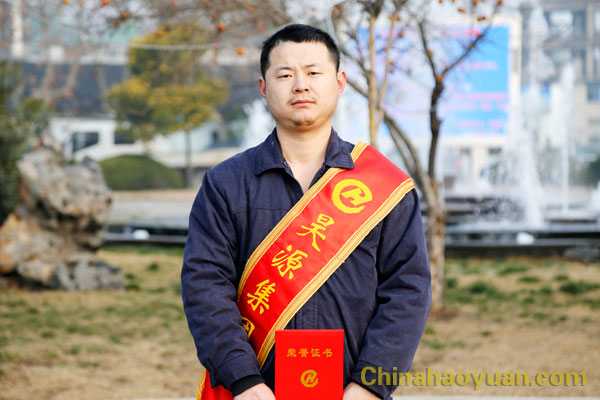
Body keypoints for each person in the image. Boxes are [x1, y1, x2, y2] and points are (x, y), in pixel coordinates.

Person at [181, 24, 431, 400]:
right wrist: (244, 380)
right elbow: (205, 286)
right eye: (285, 75)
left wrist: (370, 384)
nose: (300, 85)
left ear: (340, 82)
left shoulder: (384, 186)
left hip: (353, 391)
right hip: (253, 391)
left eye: (314, 72)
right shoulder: (226, 183)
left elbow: (407, 290)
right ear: (263, 87)